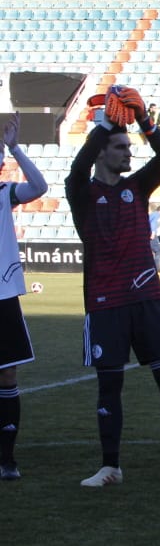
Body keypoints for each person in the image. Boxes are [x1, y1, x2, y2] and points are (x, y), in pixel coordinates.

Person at [66, 87, 160, 487]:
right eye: (120, 146)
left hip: (147, 300)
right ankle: (110, 466)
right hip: (105, 303)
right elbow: (77, 169)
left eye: (130, 146)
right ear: (101, 153)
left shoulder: (138, 188)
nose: (130, 153)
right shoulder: (82, 191)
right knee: (109, 386)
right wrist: (104, 125)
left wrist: (145, 118)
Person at [0, 113, 48, 479]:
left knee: (8, 376)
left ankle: (7, 459)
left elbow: (40, 185)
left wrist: (15, 147)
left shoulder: (4, 194)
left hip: (2, 297)